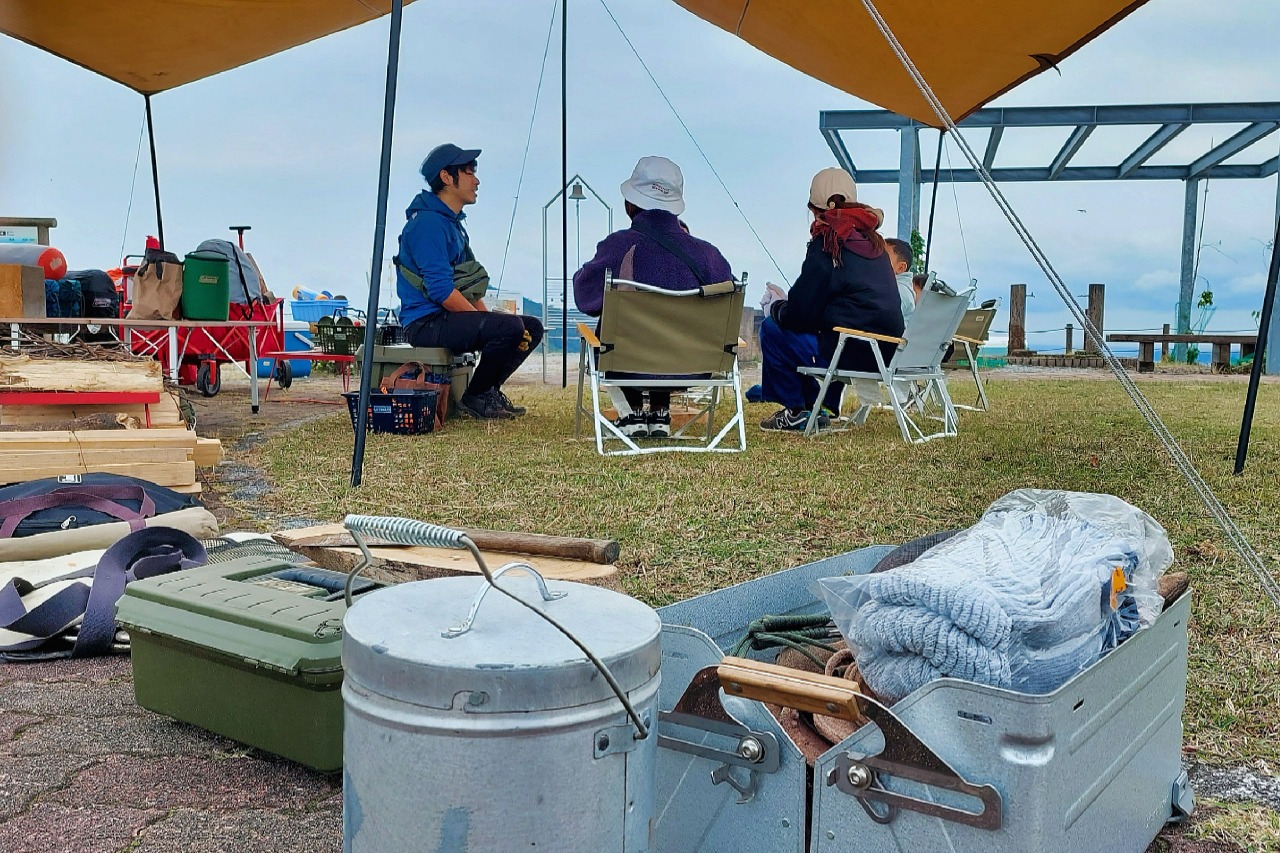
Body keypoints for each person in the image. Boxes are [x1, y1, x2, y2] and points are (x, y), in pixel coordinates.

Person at [573, 156, 733, 437]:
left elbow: (585, 297)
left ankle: (631, 414)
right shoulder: (709, 255)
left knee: (610, 335)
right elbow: (726, 301)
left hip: (627, 364)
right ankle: (659, 413)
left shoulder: (617, 247)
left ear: (630, 203)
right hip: (694, 368)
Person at [394, 143, 544, 420]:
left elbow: (467, 285)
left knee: (530, 327)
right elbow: (441, 291)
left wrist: (493, 326)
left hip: (447, 318)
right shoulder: (428, 224)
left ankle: (487, 391)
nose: (476, 180)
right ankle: (474, 397)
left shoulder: (451, 224)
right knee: (510, 327)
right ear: (447, 177)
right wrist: (493, 328)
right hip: (425, 323)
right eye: (469, 172)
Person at [757, 167, 904, 431]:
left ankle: (796, 411)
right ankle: (823, 405)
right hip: (884, 352)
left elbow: (800, 315)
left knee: (772, 329)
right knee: (827, 331)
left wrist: (775, 307)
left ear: (815, 210)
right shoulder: (876, 245)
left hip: (848, 352)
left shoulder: (828, 242)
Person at [885, 237, 916, 325]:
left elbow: (883, 319)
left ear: (900, 268)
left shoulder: (901, 291)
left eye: (884, 257)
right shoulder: (891, 286)